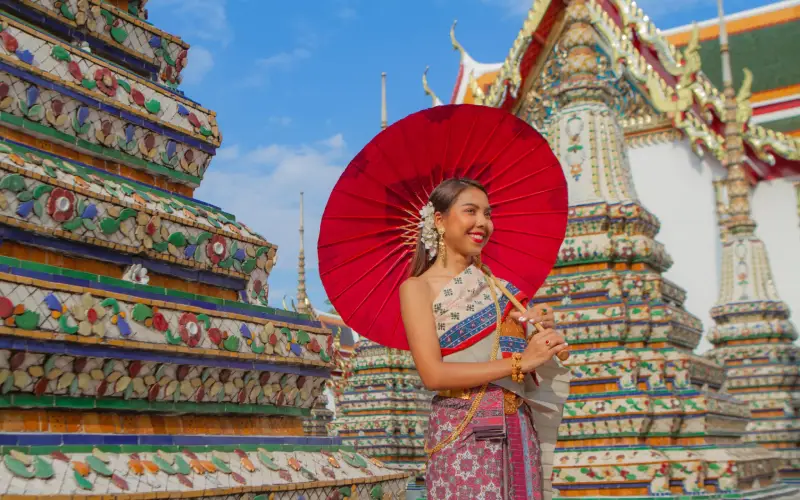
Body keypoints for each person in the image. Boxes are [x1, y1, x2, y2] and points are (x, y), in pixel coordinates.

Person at [399, 177, 571, 500]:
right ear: (439, 220)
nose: (483, 222)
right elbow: (433, 374)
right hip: (461, 434)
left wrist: (542, 334)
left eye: (487, 214)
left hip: (518, 430)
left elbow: (532, 371)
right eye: (470, 211)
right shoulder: (417, 288)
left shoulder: (502, 290)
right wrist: (521, 361)